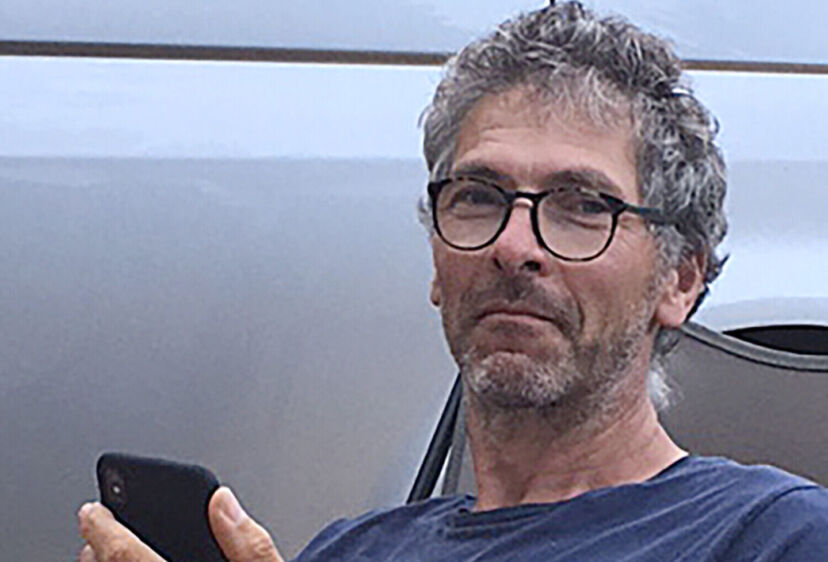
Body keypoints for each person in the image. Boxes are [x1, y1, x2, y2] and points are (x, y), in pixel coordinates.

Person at [78, 2, 828, 560]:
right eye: (477, 197)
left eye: (580, 206)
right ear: (437, 260)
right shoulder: (352, 549)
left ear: (680, 278)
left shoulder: (771, 535)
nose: (512, 245)